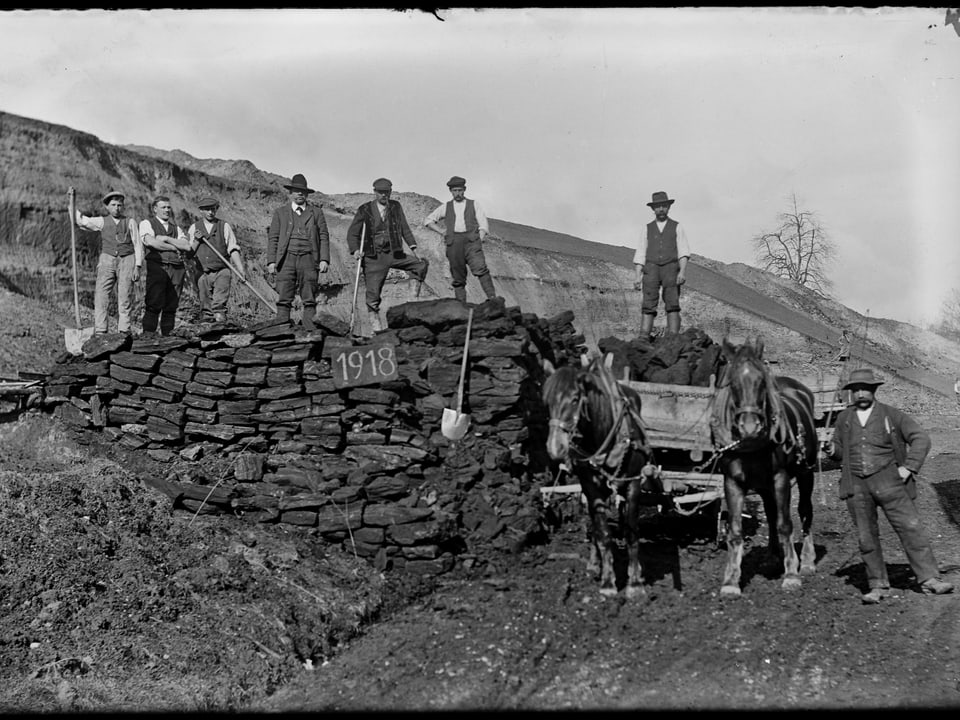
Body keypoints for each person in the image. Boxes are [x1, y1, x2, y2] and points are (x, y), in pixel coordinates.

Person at [822, 368, 954, 604]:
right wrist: (832, 450)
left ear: (874, 390)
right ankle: (877, 585)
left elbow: (921, 438)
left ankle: (929, 579)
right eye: (856, 389)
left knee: (910, 528)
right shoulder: (844, 419)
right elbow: (840, 452)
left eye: (865, 388)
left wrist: (909, 467)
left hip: (890, 482)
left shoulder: (891, 415)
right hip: (857, 486)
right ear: (851, 393)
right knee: (866, 537)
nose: (860, 393)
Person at [346, 177, 429, 333]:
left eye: (387, 192)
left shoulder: (396, 207)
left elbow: (404, 228)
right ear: (375, 192)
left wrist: (415, 249)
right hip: (373, 256)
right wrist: (356, 250)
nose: (384, 195)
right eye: (380, 192)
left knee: (420, 264)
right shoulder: (364, 209)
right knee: (373, 295)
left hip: (394, 252)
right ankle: (376, 330)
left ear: (390, 192)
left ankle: (412, 302)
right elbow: (353, 233)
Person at [69, 187, 143, 335]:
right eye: (114, 205)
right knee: (102, 295)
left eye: (119, 205)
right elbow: (81, 222)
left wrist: (138, 266)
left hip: (127, 260)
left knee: (125, 296)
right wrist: (71, 202)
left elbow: (137, 244)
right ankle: (101, 330)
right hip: (107, 259)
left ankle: (124, 330)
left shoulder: (130, 222)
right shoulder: (101, 221)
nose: (117, 208)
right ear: (107, 207)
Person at [266, 173, 329, 329]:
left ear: (307, 194)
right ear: (291, 193)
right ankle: (281, 332)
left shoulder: (316, 212)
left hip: (309, 259)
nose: (300, 193)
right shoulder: (280, 213)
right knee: (284, 296)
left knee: (309, 297)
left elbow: (324, 236)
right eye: (296, 190)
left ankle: (310, 331)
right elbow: (273, 238)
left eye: (303, 191)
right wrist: (272, 261)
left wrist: (324, 259)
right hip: (286, 259)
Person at [423, 175, 498, 303]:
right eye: (454, 191)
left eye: (459, 190)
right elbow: (428, 220)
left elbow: (484, 225)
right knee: (458, 277)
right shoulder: (446, 207)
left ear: (464, 189)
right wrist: (441, 231)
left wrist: (477, 240)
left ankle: (492, 299)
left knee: (481, 269)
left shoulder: (474, 204)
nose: (457, 193)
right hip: (454, 245)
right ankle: (461, 305)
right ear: (451, 191)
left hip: (472, 244)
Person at [633, 190, 690, 337]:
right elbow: (641, 252)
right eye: (658, 207)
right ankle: (644, 336)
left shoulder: (677, 226)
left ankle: (673, 336)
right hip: (651, 268)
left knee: (672, 302)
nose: (661, 209)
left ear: (668, 207)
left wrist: (682, 272)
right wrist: (637, 276)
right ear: (653, 209)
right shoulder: (646, 228)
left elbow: (683, 251)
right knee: (648, 301)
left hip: (671, 268)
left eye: (664, 206)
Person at [140, 196, 192, 336]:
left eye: (168, 207)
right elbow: (152, 242)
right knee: (153, 303)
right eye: (163, 207)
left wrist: (167, 239)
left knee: (171, 306)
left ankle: (167, 339)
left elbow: (186, 246)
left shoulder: (176, 228)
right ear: (155, 209)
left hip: (177, 269)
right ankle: (148, 337)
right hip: (158, 267)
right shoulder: (147, 223)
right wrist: (174, 247)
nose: (167, 210)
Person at [187, 196, 245, 323]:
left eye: (213, 209)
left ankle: (221, 326)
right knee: (205, 306)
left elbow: (233, 248)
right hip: (202, 272)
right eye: (207, 209)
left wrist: (240, 268)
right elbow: (189, 253)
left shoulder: (224, 226)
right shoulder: (194, 228)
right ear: (201, 211)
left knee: (219, 306)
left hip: (222, 270)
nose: (210, 212)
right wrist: (196, 240)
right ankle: (207, 330)